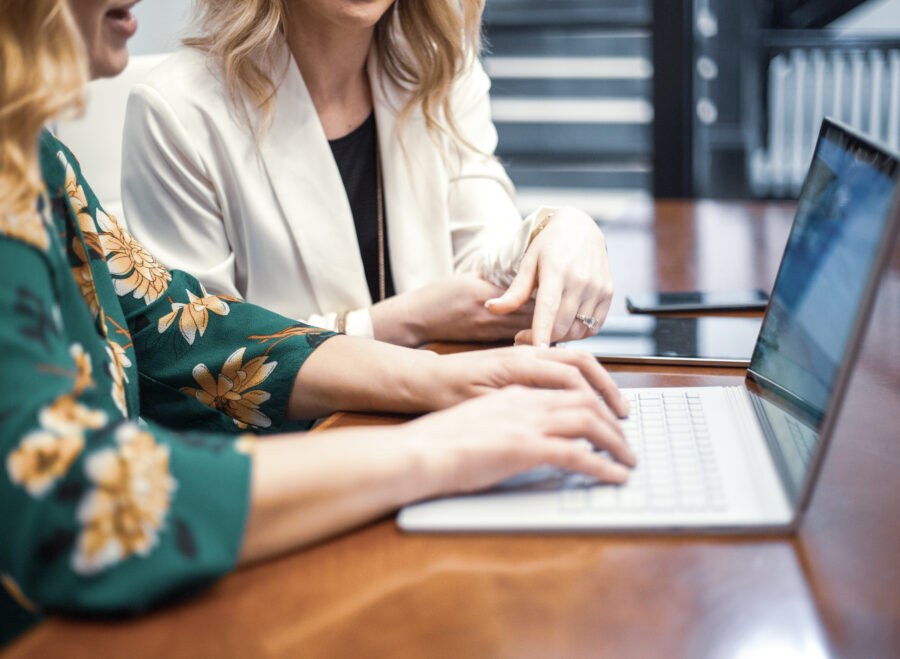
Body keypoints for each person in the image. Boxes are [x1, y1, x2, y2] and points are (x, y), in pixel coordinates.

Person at [0, 0, 634, 640]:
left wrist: (443, 380)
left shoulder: (38, 160)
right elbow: (77, 497)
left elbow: (184, 332)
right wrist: (434, 449)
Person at [120, 0, 614, 349]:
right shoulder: (177, 108)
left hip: (444, 426)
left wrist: (560, 230)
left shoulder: (440, 64)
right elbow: (203, 358)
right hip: (297, 460)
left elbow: (484, 263)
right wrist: (402, 323)